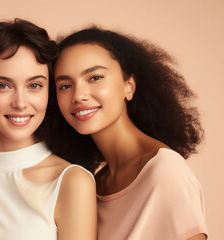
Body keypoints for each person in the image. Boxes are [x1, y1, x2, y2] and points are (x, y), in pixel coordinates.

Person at [51, 26, 207, 239]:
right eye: (65, 85)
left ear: (129, 86)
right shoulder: (94, 183)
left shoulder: (165, 173)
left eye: (95, 77)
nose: (79, 95)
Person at [0, 19, 97, 240]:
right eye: (3, 85)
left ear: (48, 92)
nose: (20, 103)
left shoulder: (71, 181)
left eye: (34, 85)